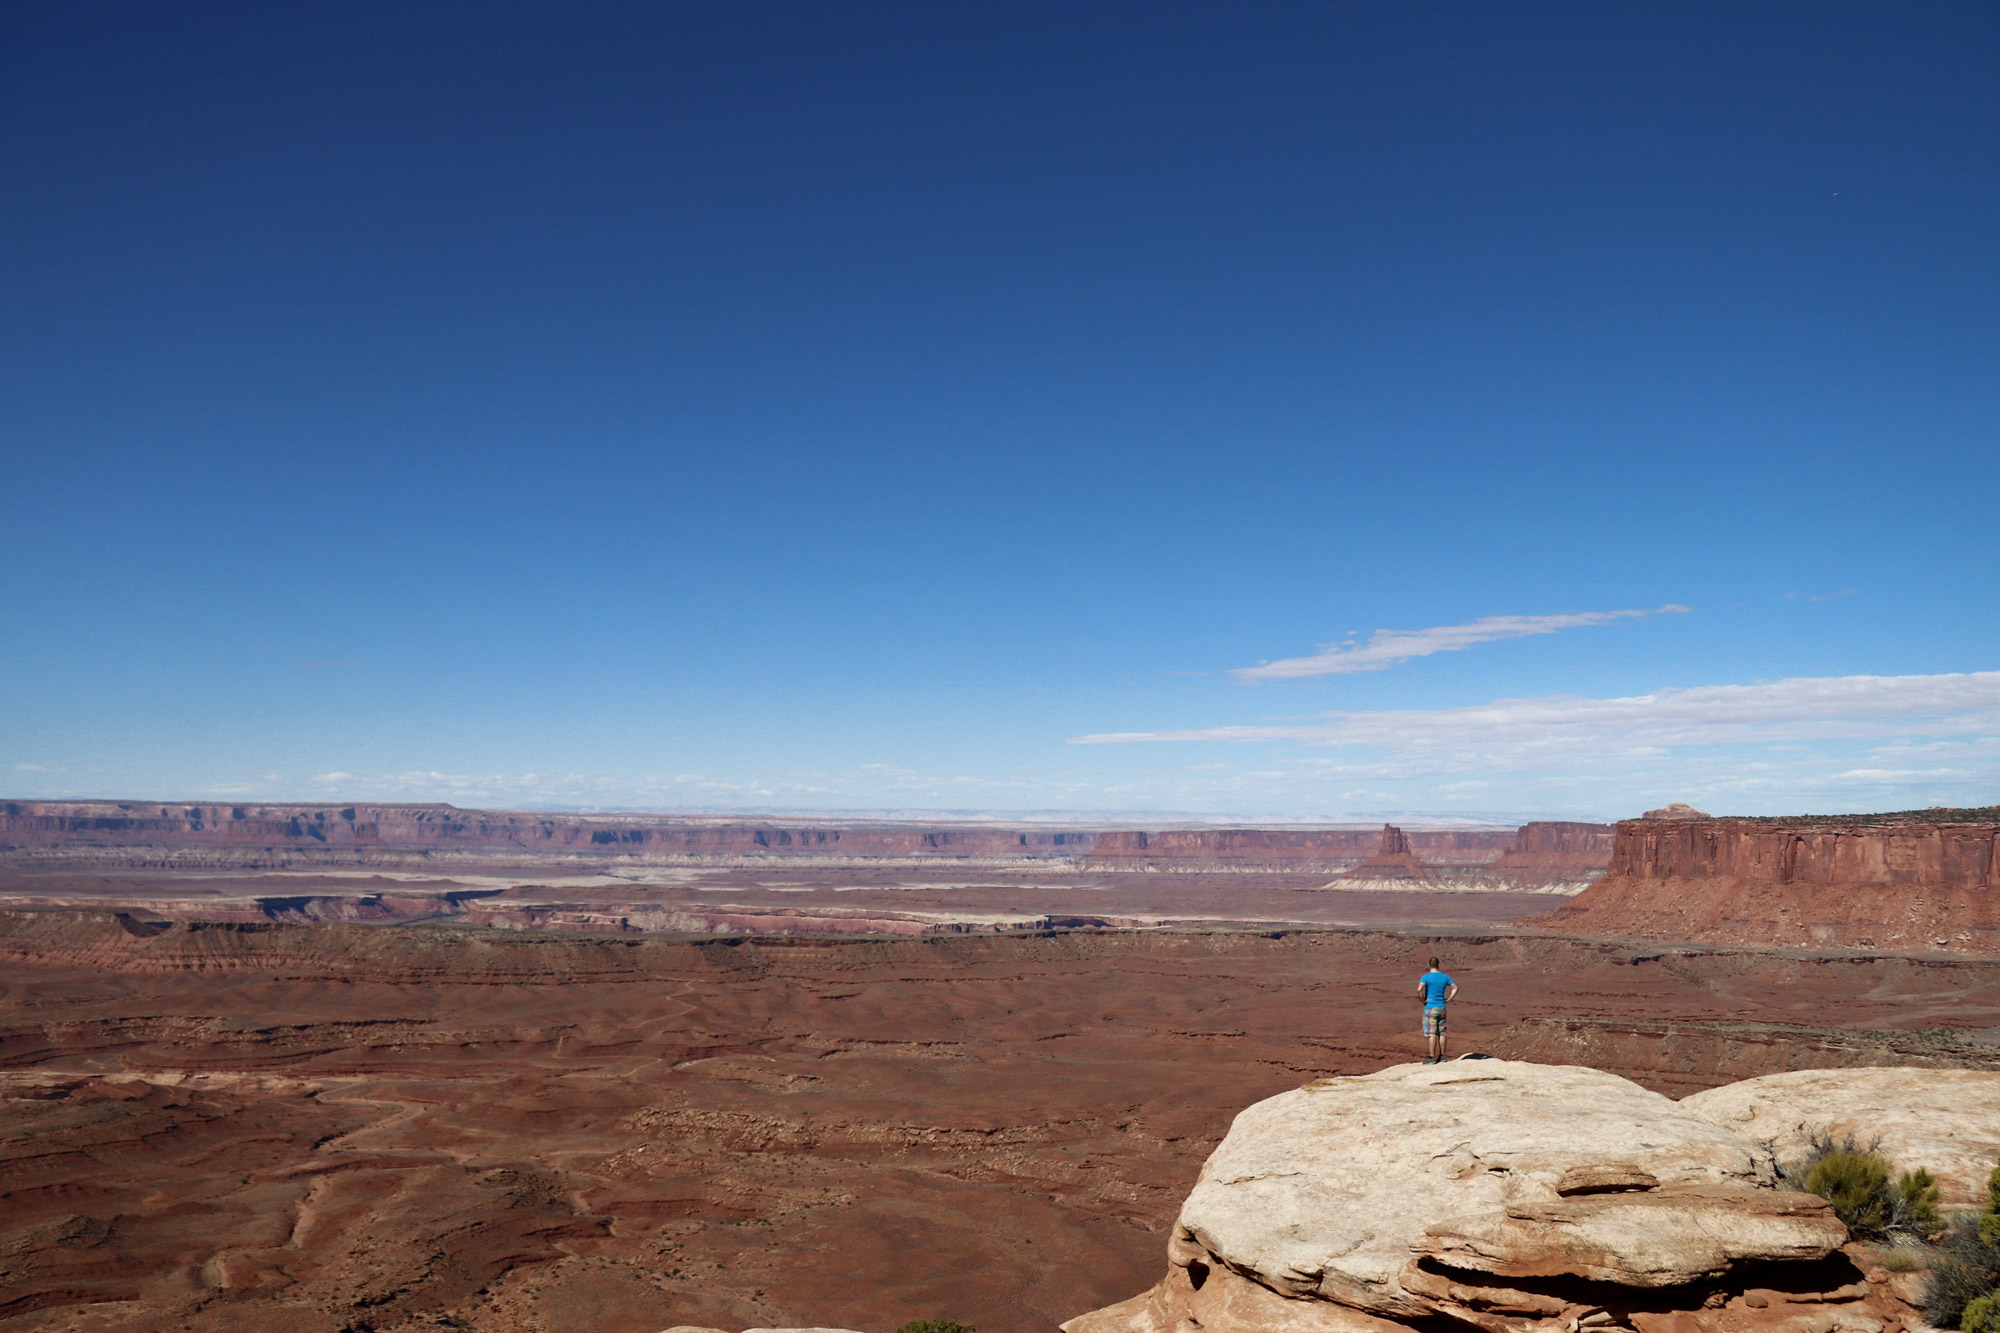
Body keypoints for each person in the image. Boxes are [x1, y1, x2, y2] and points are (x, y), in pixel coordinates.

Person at [1417, 955, 1457, 1064]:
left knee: (1432, 1033)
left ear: (1428, 965)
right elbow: (1455, 988)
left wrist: (1423, 1000)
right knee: (1442, 1032)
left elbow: (1419, 989)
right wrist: (1448, 999)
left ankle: (1431, 1057)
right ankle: (1443, 1056)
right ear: (1438, 965)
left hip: (1431, 1007)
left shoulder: (1426, 977)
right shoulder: (1445, 977)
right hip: (1442, 1007)